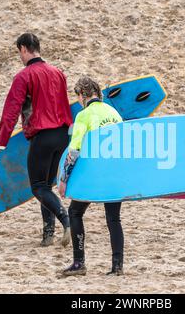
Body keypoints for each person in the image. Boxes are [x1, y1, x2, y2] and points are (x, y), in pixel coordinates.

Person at [0, 33, 72, 247]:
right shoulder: (58, 73)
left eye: (20, 53)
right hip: (63, 135)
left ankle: (66, 220)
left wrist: (0, 143)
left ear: (24, 49)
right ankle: (48, 235)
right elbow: (64, 104)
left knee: (37, 187)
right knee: (47, 185)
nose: (20, 57)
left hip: (42, 136)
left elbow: (11, 111)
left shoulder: (24, 76)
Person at [58, 76, 124, 276]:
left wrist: (63, 179)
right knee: (113, 219)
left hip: (94, 175)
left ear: (82, 95)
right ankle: (117, 266)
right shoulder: (114, 112)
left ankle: (79, 263)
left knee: (75, 212)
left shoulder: (83, 115)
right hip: (115, 174)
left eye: (77, 96)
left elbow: (74, 151)